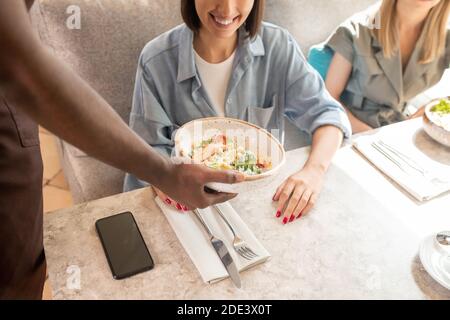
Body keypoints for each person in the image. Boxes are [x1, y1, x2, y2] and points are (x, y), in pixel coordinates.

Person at [0, 0, 243, 299]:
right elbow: (21, 69)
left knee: (22, 272)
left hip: (13, 117)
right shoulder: (158, 57)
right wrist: (163, 173)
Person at [124, 0, 352, 225]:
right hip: (185, 211)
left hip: (260, 208)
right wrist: (162, 179)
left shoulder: (278, 46)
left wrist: (314, 172)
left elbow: (328, 115)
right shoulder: (156, 60)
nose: (227, 9)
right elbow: (144, 152)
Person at [324, 0, 450, 133]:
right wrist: (371, 136)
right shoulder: (356, 31)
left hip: (396, 130)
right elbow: (329, 99)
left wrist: (433, 108)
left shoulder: (445, 39)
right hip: (346, 130)